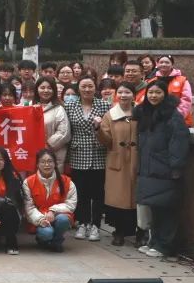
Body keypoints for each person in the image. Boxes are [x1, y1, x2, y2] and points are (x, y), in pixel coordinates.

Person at [133, 80, 190, 258]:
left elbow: (179, 141)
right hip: (149, 168)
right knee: (154, 208)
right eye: (150, 92)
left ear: (165, 94)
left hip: (165, 169)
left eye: (158, 92)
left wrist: (176, 166)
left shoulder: (172, 115)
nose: (153, 96)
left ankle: (165, 245)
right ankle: (154, 242)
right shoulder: (145, 113)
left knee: (167, 209)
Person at [65, 76, 110, 241]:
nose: (87, 89)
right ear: (78, 88)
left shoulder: (104, 105)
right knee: (81, 191)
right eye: (83, 86)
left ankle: (96, 225)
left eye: (90, 86)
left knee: (98, 192)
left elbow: (109, 129)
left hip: (98, 152)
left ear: (95, 88)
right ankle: (82, 222)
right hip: (78, 153)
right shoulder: (70, 105)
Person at [98, 81, 139, 246]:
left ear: (133, 95)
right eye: (120, 92)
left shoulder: (140, 113)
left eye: (127, 92)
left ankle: (139, 232)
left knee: (137, 197)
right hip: (117, 161)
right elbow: (106, 141)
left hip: (137, 160)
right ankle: (119, 231)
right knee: (118, 198)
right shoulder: (110, 115)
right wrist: (98, 130)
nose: (123, 95)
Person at [24, 148, 78, 252]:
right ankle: (43, 239)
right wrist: (41, 220)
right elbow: (28, 208)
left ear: (55, 163)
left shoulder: (67, 181)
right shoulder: (28, 182)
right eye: (43, 162)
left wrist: (53, 211)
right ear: (37, 164)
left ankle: (57, 242)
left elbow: (71, 204)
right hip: (40, 219)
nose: (47, 165)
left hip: (58, 216)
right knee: (46, 233)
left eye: (50, 161)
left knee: (63, 220)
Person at [35, 76, 70, 171]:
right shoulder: (30, 107)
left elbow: (63, 133)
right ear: (37, 89)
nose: (46, 91)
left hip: (53, 153)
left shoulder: (59, 109)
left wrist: (47, 146)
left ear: (54, 90)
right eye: (42, 88)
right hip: (33, 153)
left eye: (49, 88)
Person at [152, 55, 193, 126]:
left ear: (172, 65)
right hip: (157, 122)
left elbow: (186, 100)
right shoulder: (152, 81)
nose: (164, 64)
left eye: (167, 62)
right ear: (157, 64)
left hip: (179, 121)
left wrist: (176, 116)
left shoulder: (182, 80)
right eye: (161, 62)